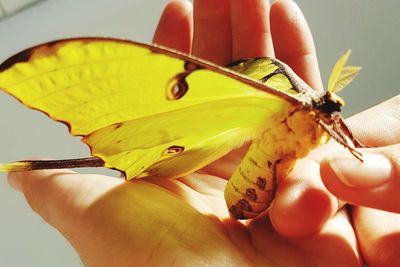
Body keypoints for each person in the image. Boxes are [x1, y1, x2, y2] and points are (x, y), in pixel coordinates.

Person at [7, 0, 399, 266]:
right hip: (237, 193)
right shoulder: (288, 105)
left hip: (264, 210)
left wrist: (359, 161)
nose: (333, 120)